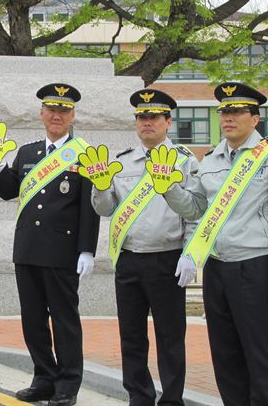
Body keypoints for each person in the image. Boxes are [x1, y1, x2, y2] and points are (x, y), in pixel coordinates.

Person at [89, 90, 199, 406]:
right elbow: (106, 209)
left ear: (168, 121)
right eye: (141, 117)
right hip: (129, 260)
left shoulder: (185, 160)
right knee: (132, 336)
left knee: (170, 337)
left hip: (167, 259)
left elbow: (193, 211)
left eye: (153, 117)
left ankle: (172, 399)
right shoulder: (121, 161)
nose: (146, 123)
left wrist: (190, 252)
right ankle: (138, 395)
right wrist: (99, 187)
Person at [0, 83, 99, 406]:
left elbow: (89, 207)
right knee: (33, 319)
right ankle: (43, 377)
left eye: (63, 110)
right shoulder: (28, 153)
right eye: (51, 109)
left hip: (62, 252)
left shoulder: (84, 154)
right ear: (41, 113)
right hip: (27, 249)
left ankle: (68, 384)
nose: (56, 115)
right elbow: (9, 191)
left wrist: (86, 250)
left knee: (64, 321)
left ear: (72, 116)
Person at [162, 82, 268, 406]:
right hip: (218, 269)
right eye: (223, 112)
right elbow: (196, 209)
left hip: (255, 264)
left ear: (255, 117)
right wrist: (169, 189)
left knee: (259, 352)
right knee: (225, 352)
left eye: (236, 111)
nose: (227, 118)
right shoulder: (210, 159)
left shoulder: (264, 158)